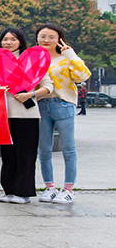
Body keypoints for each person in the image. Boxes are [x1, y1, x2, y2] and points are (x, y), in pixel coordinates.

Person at [0, 28, 50, 204]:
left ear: (20, 41)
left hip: (27, 114)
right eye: (5, 39)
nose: (8, 42)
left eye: (13, 39)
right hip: (4, 115)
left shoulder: (32, 61)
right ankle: (9, 190)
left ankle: (23, 192)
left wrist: (30, 95)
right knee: (8, 155)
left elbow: (48, 86)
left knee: (26, 155)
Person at [35, 23, 91, 204]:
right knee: (44, 149)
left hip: (63, 104)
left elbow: (83, 75)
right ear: (37, 39)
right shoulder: (34, 59)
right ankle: (49, 188)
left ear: (59, 40)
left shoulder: (66, 58)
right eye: (43, 36)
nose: (46, 40)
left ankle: (68, 189)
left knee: (68, 149)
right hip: (41, 105)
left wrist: (71, 54)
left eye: (51, 37)